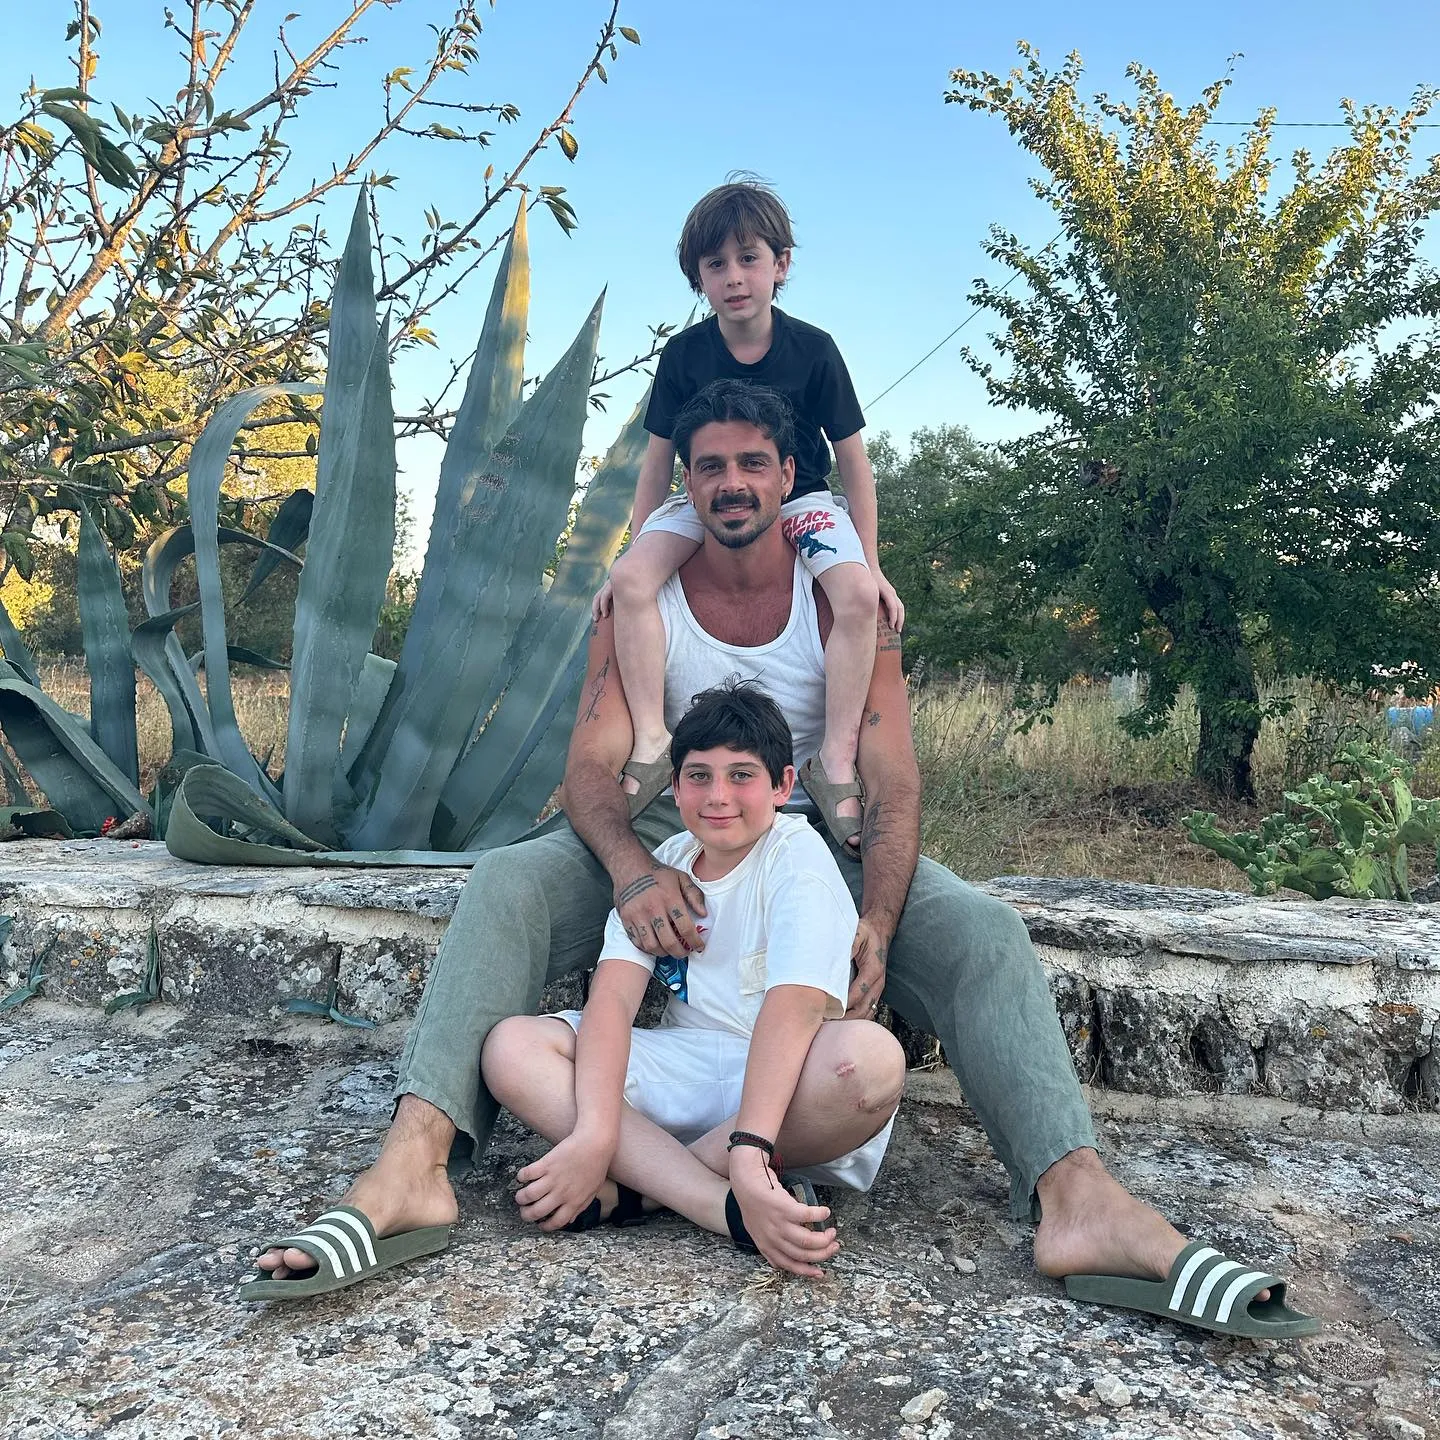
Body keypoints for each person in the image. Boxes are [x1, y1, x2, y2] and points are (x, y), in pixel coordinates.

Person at [242, 379, 1320, 1341]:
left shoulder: (849, 604)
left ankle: (1078, 1200)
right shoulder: (641, 599)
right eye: (709, 465)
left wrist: (881, 920)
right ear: (686, 482)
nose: (730, 483)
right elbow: (591, 769)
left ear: (789, 475)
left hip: (817, 843)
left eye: (753, 463)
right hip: (664, 835)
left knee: (984, 932)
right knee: (507, 881)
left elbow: (892, 785)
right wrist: (631, 873)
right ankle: (414, 1166)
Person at [478, 680, 905, 1276]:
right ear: (675, 787)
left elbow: (796, 1009)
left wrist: (751, 1151)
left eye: (741, 775)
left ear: (782, 785)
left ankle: (643, 1188)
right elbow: (611, 1003)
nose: (718, 796)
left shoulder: (797, 858)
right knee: (512, 1048)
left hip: (789, 1091)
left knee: (872, 1060)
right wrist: (594, 1133)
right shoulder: (666, 867)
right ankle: (715, 1204)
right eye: (699, 776)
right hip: (690, 1067)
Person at [593, 178, 902, 854]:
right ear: (698, 277)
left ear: (780, 264)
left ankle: (835, 762)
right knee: (632, 582)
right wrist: (635, 551)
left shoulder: (814, 349)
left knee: (855, 598)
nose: (734, 277)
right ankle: (652, 739)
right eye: (716, 264)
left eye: (749, 258)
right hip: (704, 498)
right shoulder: (684, 355)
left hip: (802, 498)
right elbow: (657, 462)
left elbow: (854, 463)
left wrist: (872, 565)